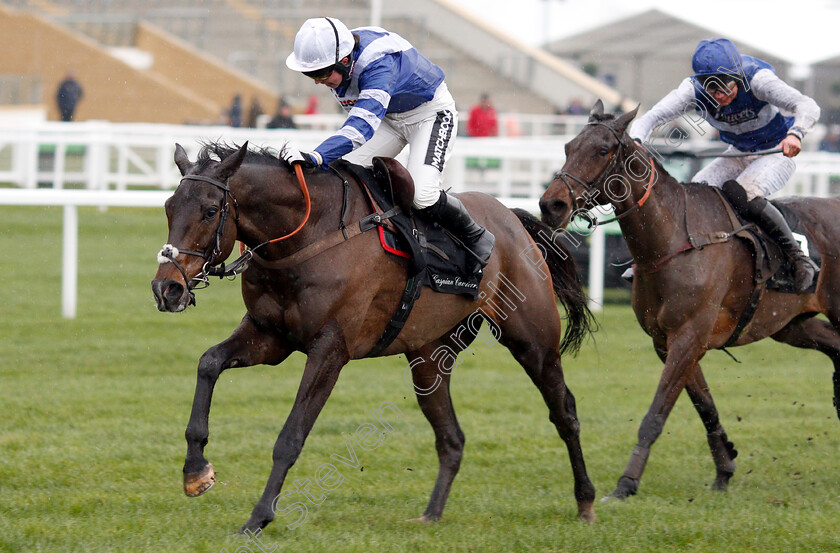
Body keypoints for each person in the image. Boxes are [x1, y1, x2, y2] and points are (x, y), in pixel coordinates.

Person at [282, 17, 494, 273]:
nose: (316, 81)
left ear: (345, 61)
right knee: (341, 176)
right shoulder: (342, 57)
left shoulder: (378, 64)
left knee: (422, 196)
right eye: (309, 74)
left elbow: (361, 128)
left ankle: (475, 235)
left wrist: (317, 155)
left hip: (429, 114)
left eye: (321, 73)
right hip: (389, 117)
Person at [629, 38, 821, 293]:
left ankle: (799, 259)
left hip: (776, 152)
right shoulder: (691, 90)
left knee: (743, 193)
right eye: (712, 88)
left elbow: (808, 105)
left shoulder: (758, 80)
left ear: (737, 76)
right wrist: (637, 142)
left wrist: (796, 133)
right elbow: (651, 118)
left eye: (726, 85)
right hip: (738, 153)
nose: (720, 94)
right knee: (691, 194)